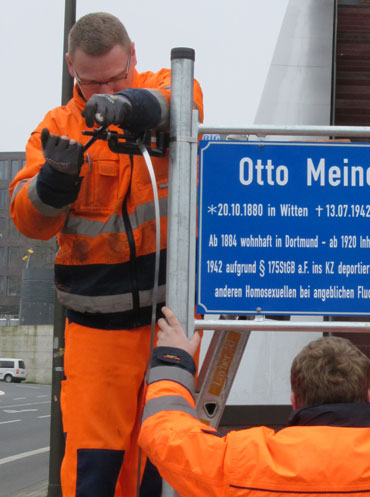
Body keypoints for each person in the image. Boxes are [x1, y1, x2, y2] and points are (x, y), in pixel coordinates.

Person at [9, 12, 204, 497]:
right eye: (90, 81)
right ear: (70, 69)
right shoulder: (57, 129)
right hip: (97, 333)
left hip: (170, 320)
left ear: (133, 56)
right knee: (94, 466)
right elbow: (27, 219)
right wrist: (53, 184)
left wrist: (125, 104)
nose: (101, 89)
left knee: (166, 454)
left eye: (115, 76)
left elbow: (186, 102)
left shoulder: (162, 88)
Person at [139, 295, 370, 497]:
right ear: (366, 394)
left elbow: (164, 433)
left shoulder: (245, 462)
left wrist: (174, 359)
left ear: (294, 400)